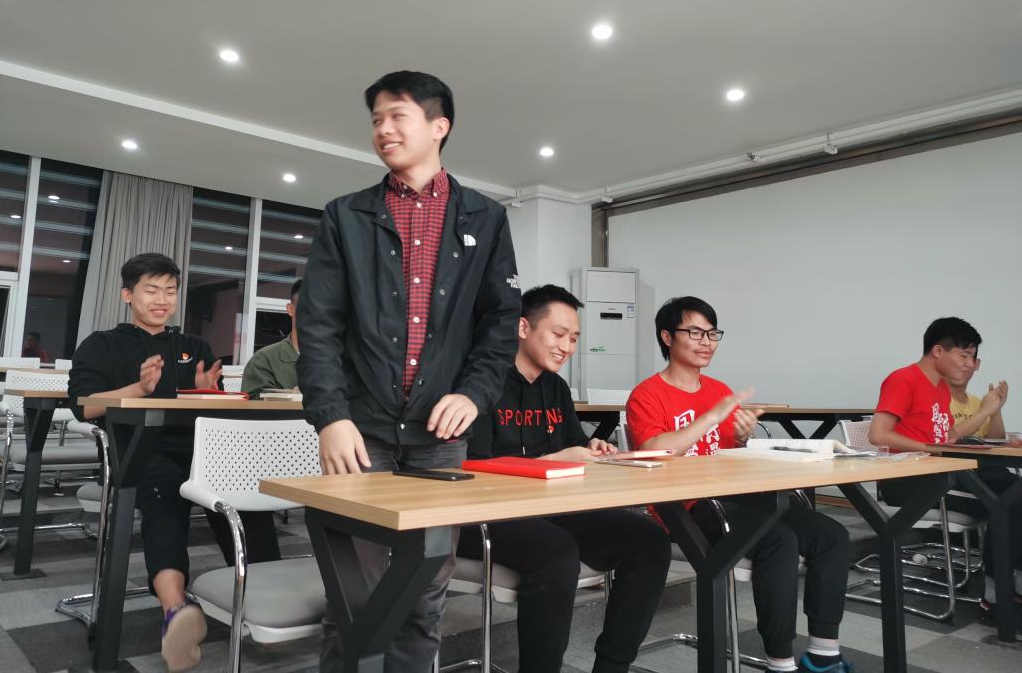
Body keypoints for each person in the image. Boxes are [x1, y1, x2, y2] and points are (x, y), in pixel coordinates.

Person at [297, 71, 521, 672]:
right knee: (355, 594)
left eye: (397, 115)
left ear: (438, 126)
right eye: (376, 119)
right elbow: (318, 326)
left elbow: (501, 322)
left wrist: (474, 394)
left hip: (440, 437)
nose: (383, 129)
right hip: (359, 430)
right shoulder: (346, 216)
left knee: (426, 592)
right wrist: (330, 417)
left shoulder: (485, 217)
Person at [68, 253, 281, 672]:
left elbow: (218, 408)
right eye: (151, 290)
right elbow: (84, 406)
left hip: (203, 450)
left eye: (170, 291)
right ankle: (175, 608)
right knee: (164, 498)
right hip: (140, 449)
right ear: (127, 295)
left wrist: (206, 391)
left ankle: (269, 600)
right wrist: (139, 388)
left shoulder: (193, 346)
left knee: (245, 495)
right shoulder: (102, 344)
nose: (162, 299)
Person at [626, 296, 852, 673]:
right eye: (694, 332)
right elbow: (652, 451)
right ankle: (780, 660)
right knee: (778, 540)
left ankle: (824, 653)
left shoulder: (718, 389)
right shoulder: (647, 394)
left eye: (712, 333)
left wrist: (744, 436)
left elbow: (728, 454)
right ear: (666, 337)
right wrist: (711, 417)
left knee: (831, 534)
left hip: (734, 498)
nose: (706, 342)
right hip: (685, 507)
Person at [461, 285, 672, 673]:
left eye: (574, 338)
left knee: (650, 539)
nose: (567, 347)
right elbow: (474, 466)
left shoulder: (555, 387)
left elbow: (573, 443)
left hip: (553, 509)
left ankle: (612, 666)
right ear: (522, 328)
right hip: (486, 515)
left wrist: (593, 446)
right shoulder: (482, 384)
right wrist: (553, 459)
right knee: (557, 551)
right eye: (558, 334)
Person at [869, 317, 1020, 612]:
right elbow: (879, 435)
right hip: (910, 481)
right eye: (964, 356)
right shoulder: (904, 379)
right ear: (938, 351)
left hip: (941, 472)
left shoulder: (939, 387)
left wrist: (987, 419)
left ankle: (1015, 583)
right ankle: (995, 596)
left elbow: (946, 436)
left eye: (972, 357)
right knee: (1008, 501)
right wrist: (931, 449)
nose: (969, 364)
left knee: (1015, 489)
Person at [241, 278, 301, 398]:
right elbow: (253, 404)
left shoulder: (337, 359)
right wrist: (294, 396)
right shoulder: (264, 360)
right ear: (290, 309)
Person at [948, 355, 1007, 441]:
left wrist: (996, 411)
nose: (963, 365)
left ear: (976, 364)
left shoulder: (978, 403)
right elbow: (946, 439)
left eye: (967, 357)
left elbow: (997, 441)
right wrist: (985, 411)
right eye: (960, 357)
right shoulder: (934, 401)